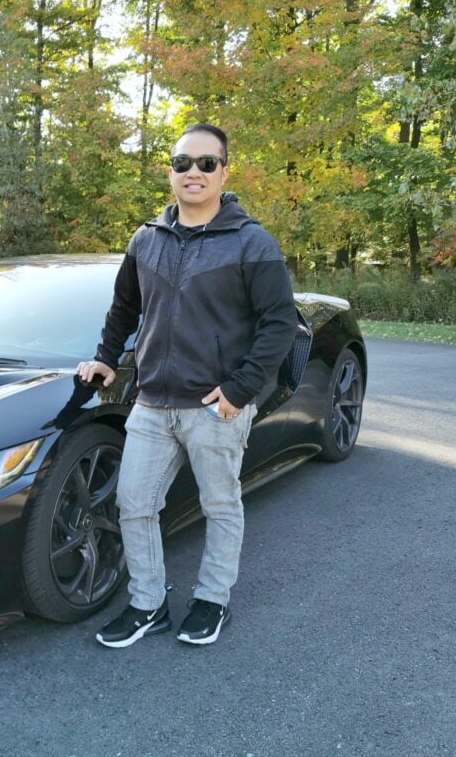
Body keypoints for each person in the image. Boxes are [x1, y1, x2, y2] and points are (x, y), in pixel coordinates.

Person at [77, 123, 297, 648]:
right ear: (170, 171)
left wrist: (238, 391)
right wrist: (107, 359)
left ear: (224, 171)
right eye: (182, 163)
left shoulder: (251, 242)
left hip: (213, 407)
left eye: (205, 163)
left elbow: (279, 323)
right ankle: (147, 604)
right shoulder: (145, 239)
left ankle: (211, 600)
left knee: (220, 506)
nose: (193, 173)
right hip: (151, 403)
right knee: (133, 504)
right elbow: (125, 308)